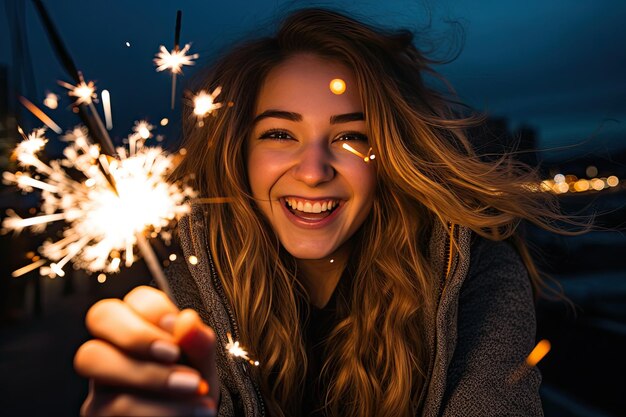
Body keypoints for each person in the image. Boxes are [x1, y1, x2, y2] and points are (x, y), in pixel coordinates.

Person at [74, 8, 569, 417]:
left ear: (388, 156)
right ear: (239, 153)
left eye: (351, 136)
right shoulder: (174, 286)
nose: (313, 171)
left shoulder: (477, 279)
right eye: (280, 134)